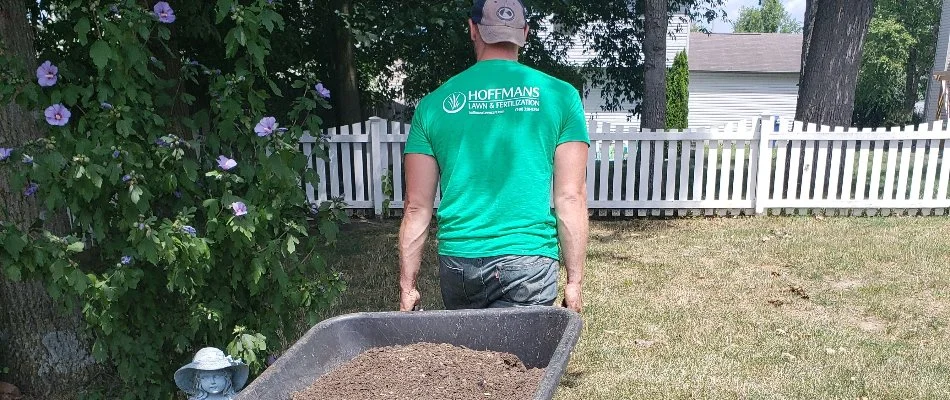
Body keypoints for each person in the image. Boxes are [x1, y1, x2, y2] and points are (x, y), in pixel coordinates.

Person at [398, 0, 589, 313]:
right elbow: (571, 197)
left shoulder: (434, 105)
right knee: (526, 362)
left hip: (460, 262)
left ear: (473, 30)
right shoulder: (561, 96)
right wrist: (574, 282)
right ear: (524, 34)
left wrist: (408, 286)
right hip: (529, 261)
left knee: (469, 360)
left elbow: (416, 206)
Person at [174, 347, 248, 400]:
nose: (212, 382)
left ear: (227, 377)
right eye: (205, 377)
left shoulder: (237, 397)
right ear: (198, 381)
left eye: (217, 376)